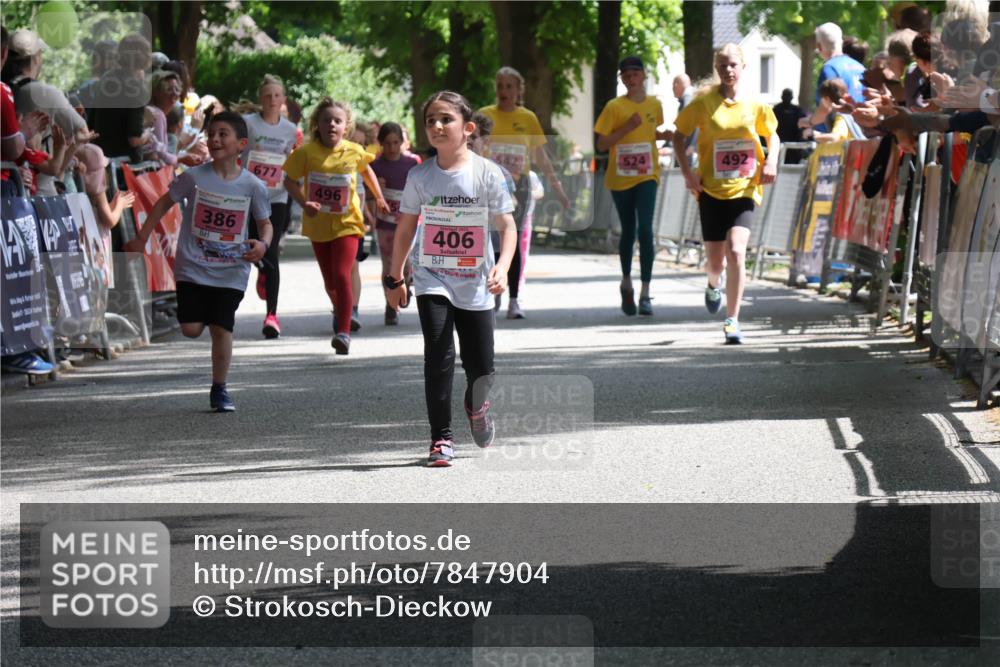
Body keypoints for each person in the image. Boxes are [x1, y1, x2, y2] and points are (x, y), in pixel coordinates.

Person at [385, 90, 517, 467]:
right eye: (431, 121)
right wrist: (395, 278)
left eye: (446, 119)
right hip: (432, 277)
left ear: (468, 128)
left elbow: (507, 227)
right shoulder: (420, 176)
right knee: (438, 356)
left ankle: (477, 407)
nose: (438, 126)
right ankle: (440, 439)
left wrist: (503, 266)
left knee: (482, 369)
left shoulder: (488, 174)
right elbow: (407, 226)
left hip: (476, 281)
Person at [122, 111, 273, 412]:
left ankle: (220, 389)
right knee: (191, 328)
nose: (215, 139)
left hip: (231, 270)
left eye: (222, 134)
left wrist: (263, 244)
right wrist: (142, 238)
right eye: (211, 134)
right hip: (193, 266)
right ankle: (204, 312)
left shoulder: (253, 186)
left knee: (221, 328)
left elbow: (265, 223)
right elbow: (163, 203)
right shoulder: (193, 177)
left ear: (241, 143)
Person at [673, 43, 779, 344]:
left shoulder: (755, 105)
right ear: (716, 69)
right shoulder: (703, 104)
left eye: (732, 64)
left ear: (743, 67)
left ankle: (732, 320)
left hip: (744, 188)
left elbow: (773, 134)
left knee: (736, 250)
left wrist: (771, 159)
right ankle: (712, 284)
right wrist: (687, 172)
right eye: (722, 65)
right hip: (710, 190)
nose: (728, 70)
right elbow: (679, 137)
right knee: (716, 263)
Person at [282, 98, 388, 355]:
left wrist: (380, 198)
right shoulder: (306, 153)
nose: (332, 124)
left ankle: (343, 332)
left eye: (337, 121)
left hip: (348, 223)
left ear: (345, 126)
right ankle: (341, 309)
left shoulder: (353, 150)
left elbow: (367, 171)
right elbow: (289, 181)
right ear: (317, 125)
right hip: (318, 225)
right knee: (330, 282)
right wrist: (305, 203)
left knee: (342, 275)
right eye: (326, 120)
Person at [478, 66, 570, 318]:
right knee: (492, 240)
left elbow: (541, 156)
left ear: (519, 90)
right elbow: (472, 146)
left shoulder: (528, 118)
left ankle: (514, 299)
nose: (504, 91)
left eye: (509, 86)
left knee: (513, 239)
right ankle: (493, 293)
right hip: (491, 184)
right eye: (500, 86)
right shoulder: (484, 115)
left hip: (519, 186)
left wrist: (558, 190)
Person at [593, 55, 672, 316]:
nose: (631, 80)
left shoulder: (654, 105)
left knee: (646, 230)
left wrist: (664, 135)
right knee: (629, 230)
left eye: (635, 75)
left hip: (647, 174)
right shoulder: (614, 107)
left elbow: (652, 132)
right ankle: (626, 281)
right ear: (622, 79)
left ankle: (646, 291)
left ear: (643, 76)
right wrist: (626, 127)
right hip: (621, 176)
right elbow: (602, 144)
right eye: (626, 76)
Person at [240, 74, 299, 339]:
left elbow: (292, 162)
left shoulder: (289, 130)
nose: (272, 100)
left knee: (271, 251)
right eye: (267, 96)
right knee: (249, 247)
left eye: (277, 96)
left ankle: (272, 315)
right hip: (248, 196)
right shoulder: (249, 124)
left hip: (277, 198)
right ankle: (262, 270)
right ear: (260, 99)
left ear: (283, 100)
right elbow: (237, 150)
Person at [370, 121, 419, 325]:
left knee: (406, 263)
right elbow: (368, 195)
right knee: (388, 264)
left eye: (396, 142)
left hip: (408, 223)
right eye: (388, 143)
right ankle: (390, 306)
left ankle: (405, 284)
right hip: (385, 223)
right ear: (381, 143)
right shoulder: (375, 166)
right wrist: (372, 212)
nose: (392, 148)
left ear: (403, 142)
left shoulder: (412, 164)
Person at [815, 23, 866, 121]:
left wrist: (809, 122)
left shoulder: (829, 69)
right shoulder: (861, 67)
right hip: (862, 130)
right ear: (841, 42)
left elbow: (825, 108)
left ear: (819, 46)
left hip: (839, 131)